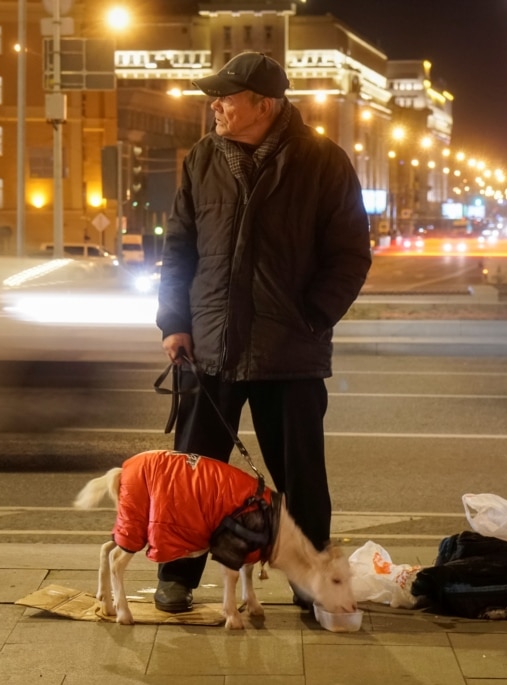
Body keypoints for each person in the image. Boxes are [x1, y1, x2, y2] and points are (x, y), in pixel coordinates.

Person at [153, 51, 372, 612]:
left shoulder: (324, 161)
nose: (215, 106)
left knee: (301, 480)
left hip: (290, 351)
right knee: (191, 474)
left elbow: (349, 254)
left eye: (226, 96)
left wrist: (313, 316)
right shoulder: (202, 158)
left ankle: (311, 583)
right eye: (216, 97)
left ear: (264, 105)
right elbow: (179, 248)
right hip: (210, 347)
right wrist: (175, 321)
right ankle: (176, 576)